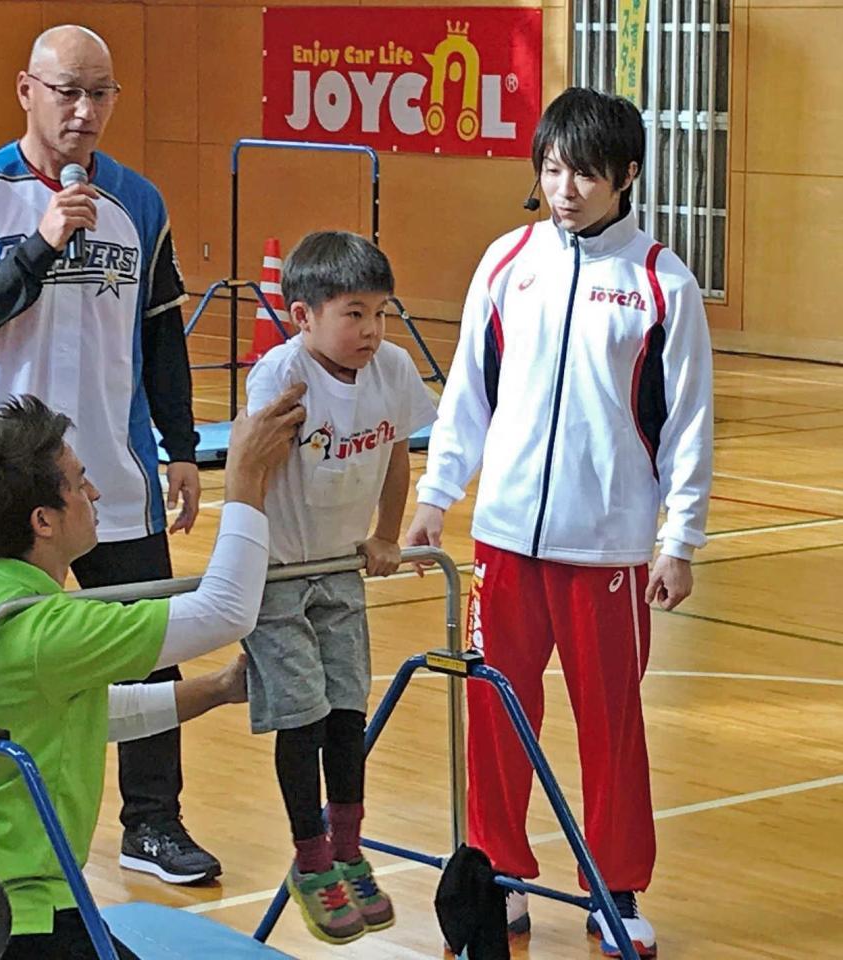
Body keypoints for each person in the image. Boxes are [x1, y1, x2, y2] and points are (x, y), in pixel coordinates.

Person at [406, 87, 713, 958]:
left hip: (608, 549)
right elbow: (466, 394)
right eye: (550, 169)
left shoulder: (661, 282)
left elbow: (687, 424)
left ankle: (613, 891)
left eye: (582, 171)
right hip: (502, 542)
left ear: (625, 175)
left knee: (609, 727)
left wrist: (677, 539)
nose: (564, 188)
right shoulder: (506, 263)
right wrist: (437, 497)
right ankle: (500, 875)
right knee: (497, 715)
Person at [0, 25, 215, 883]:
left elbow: (161, 339)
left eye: (100, 94)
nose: (84, 111)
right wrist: (44, 242)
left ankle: (153, 826)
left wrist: (183, 449)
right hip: (6, 488)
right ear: (26, 90)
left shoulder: (140, 203)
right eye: (66, 91)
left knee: (149, 648)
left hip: (112, 482)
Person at [0, 388, 305, 960]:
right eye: (78, 481)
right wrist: (245, 476)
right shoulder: (47, 630)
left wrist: (215, 690)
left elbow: (79, 718)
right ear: (44, 519)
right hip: (13, 910)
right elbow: (226, 610)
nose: (92, 491)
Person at [242, 232, 437, 945]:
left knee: (346, 709)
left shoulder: (390, 369)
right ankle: (310, 856)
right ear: (303, 315)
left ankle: (349, 847)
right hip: (278, 573)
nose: (371, 331)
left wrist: (387, 536)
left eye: (381, 314)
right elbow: (250, 474)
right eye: (353, 314)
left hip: (337, 569)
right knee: (301, 713)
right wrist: (244, 569)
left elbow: (394, 457)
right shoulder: (279, 377)